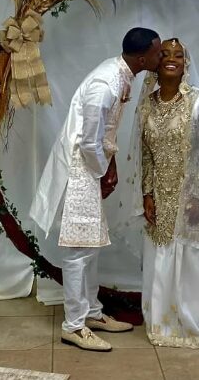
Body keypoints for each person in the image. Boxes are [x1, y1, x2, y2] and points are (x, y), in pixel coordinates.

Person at [30, 27, 162, 352]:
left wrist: (109, 165)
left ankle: (91, 312)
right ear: (142, 58)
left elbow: (105, 133)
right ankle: (73, 326)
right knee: (78, 251)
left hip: (90, 166)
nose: (161, 57)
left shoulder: (122, 73)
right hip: (79, 171)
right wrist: (103, 172)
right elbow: (89, 142)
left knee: (90, 247)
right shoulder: (106, 84)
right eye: (158, 52)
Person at [129, 37, 199, 348]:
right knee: (162, 255)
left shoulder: (198, 100)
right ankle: (164, 324)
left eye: (178, 55)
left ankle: (198, 324)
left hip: (193, 195)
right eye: (165, 54)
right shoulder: (147, 104)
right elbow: (145, 154)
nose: (171, 59)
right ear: (155, 62)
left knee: (195, 259)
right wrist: (147, 194)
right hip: (160, 194)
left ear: (186, 63)